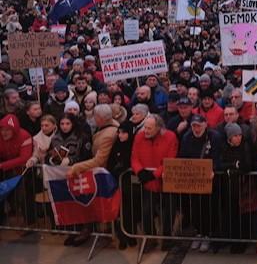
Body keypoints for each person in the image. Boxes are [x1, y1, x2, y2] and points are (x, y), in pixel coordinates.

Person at [66, 104, 120, 246]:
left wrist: (77, 167)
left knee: (93, 202)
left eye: (95, 116)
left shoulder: (108, 134)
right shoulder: (105, 127)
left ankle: (101, 230)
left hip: (103, 174)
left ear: (100, 118)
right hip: (98, 171)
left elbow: (99, 160)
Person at [131, 114, 179, 251]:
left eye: (149, 128)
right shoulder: (139, 136)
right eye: (145, 127)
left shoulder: (170, 137)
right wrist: (140, 171)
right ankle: (150, 238)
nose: (145, 131)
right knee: (146, 210)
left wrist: (154, 174)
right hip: (148, 181)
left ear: (158, 128)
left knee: (169, 211)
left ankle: (167, 239)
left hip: (166, 180)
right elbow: (134, 157)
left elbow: (170, 159)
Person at [178, 114, 218, 253]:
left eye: (199, 125)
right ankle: (199, 233)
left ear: (205, 124)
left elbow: (218, 156)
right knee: (195, 207)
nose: (196, 128)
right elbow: (183, 157)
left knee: (208, 208)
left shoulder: (214, 137)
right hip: (193, 180)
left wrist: (214, 170)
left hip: (209, 179)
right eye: (194, 126)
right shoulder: (187, 137)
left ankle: (207, 234)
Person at [217, 123, 254, 254]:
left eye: (239, 135)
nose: (238, 138)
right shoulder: (224, 147)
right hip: (228, 187)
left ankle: (241, 242)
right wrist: (234, 165)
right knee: (229, 214)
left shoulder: (245, 146)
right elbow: (219, 164)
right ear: (229, 137)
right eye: (235, 136)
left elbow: (247, 165)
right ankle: (230, 239)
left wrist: (232, 168)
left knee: (242, 216)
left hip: (243, 187)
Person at [107, 121, 136, 250]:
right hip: (116, 183)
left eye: (124, 133)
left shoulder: (133, 145)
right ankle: (121, 237)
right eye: (119, 132)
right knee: (118, 211)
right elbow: (110, 162)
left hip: (129, 185)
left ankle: (131, 235)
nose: (120, 135)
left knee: (129, 210)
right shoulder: (116, 145)